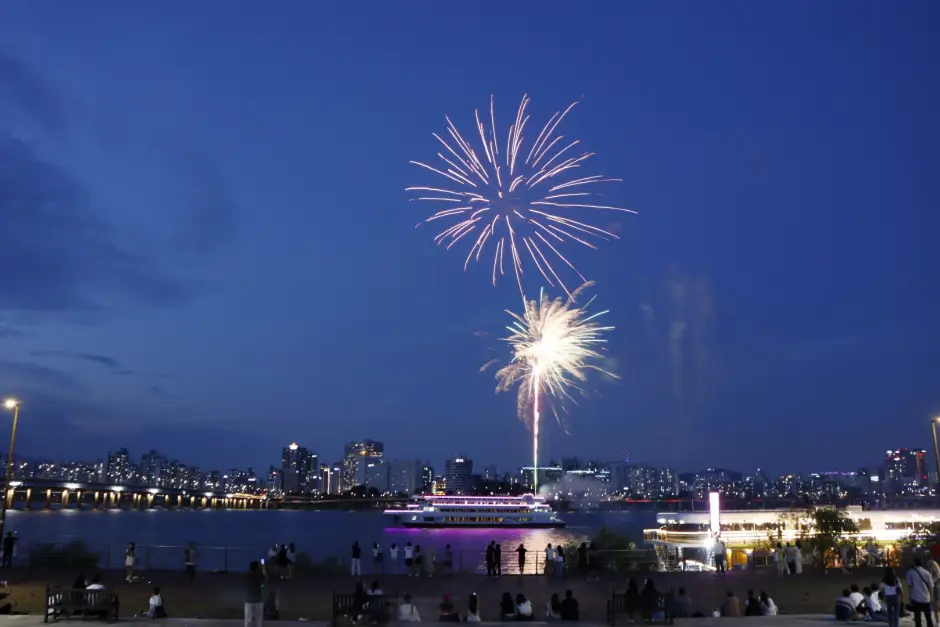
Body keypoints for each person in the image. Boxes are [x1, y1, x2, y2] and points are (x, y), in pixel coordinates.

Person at [907, 557, 935, 627]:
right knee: (928, 617)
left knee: (917, 617)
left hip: (915, 597)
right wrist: (931, 597)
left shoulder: (910, 573)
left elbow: (910, 586)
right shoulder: (927, 572)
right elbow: (931, 586)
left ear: (914, 563)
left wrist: (910, 597)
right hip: (926, 597)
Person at [245, 561, 266, 627]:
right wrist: (263, 570)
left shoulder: (247, 575)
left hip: (249, 599)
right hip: (258, 599)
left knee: (248, 618)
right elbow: (264, 582)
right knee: (259, 618)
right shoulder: (259, 575)